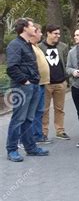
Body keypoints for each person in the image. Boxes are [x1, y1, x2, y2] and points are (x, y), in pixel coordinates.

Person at [5, 18, 49, 161]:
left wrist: (33, 82)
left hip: (33, 86)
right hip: (22, 87)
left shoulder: (28, 44)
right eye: (31, 26)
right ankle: (12, 150)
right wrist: (26, 81)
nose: (35, 29)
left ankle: (30, 148)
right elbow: (12, 68)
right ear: (24, 28)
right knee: (18, 119)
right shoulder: (15, 45)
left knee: (29, 119)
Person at [39, 24, 70, 140]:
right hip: (46, 83)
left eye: (59, 33)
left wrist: (67, 80)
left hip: (61, 82)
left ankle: (60, 131)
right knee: (44, 109)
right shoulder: (39, 47)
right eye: (55, 33)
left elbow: (67, 63)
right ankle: (43, 132)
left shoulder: (63, 47)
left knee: (60, 109)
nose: (58, 35)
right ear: (48, 33)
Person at [31, 24, 51, 144]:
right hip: (36, 84)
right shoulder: (30, 47)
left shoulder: (36, 46)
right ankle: (28, 137)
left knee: (39, 111)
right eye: (39, 32)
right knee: (33, 112)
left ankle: (38, 135)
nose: (41, 34)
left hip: (42, 83)